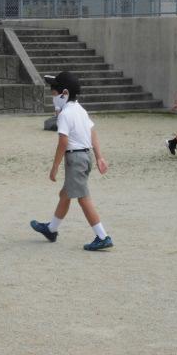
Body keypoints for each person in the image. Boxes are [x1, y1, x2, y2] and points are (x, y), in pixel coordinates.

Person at [30, 71, 114, 251]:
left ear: (64, 93)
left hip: (75, 158)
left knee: (83, 197)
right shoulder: (80, 110)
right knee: (65, 194)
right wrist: (99, 156)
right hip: (85, 156)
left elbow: (63, 141)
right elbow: (92, 132)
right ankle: (51, 229)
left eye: (54, 93)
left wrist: (54, 167)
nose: (53, 97)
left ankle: (102, 236)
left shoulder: (65, 114)